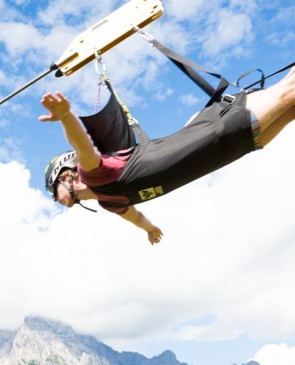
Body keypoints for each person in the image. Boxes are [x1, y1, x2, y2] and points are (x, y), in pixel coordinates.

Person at [40, 67, 295, 245]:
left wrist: (66, 117)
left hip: (222, 129)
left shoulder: (94, 173)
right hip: (238, 147)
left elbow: (82, 143)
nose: (54, 200)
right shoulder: (110, 203)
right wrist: (150, 230)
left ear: (65, 175)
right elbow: (136, 217)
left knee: (289, 92)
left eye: (53, 191)